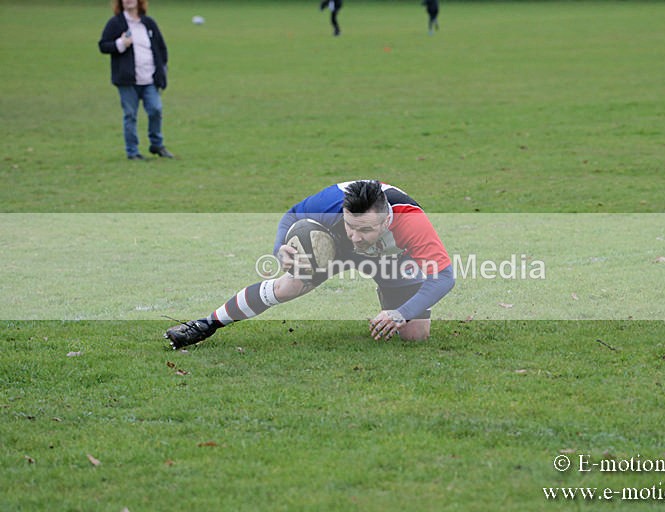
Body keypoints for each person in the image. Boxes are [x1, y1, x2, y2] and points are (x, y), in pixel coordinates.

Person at [165, 180, 455, 348]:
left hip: (392, 259)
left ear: (387, 220)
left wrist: (401, 313)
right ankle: (206, 324)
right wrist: (281, 249)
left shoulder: (411, 221)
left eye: (365, 229)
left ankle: (387, 304)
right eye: (351, 225)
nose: (356, 235)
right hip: (334, 248)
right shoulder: (332, 202)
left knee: (415, 336)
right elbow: (292, 215)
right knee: (288, 286)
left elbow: (443, 277)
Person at [98, 0, 174, 160]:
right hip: (127, 80)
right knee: (130, 115)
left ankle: (157, 144)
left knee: (156, 109)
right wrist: (121, 44)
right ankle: (132, 152)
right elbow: (103, 45)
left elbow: (161, 48)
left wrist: (162, 69)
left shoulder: (148, 23)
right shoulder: (116, 23)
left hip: (149, 78)